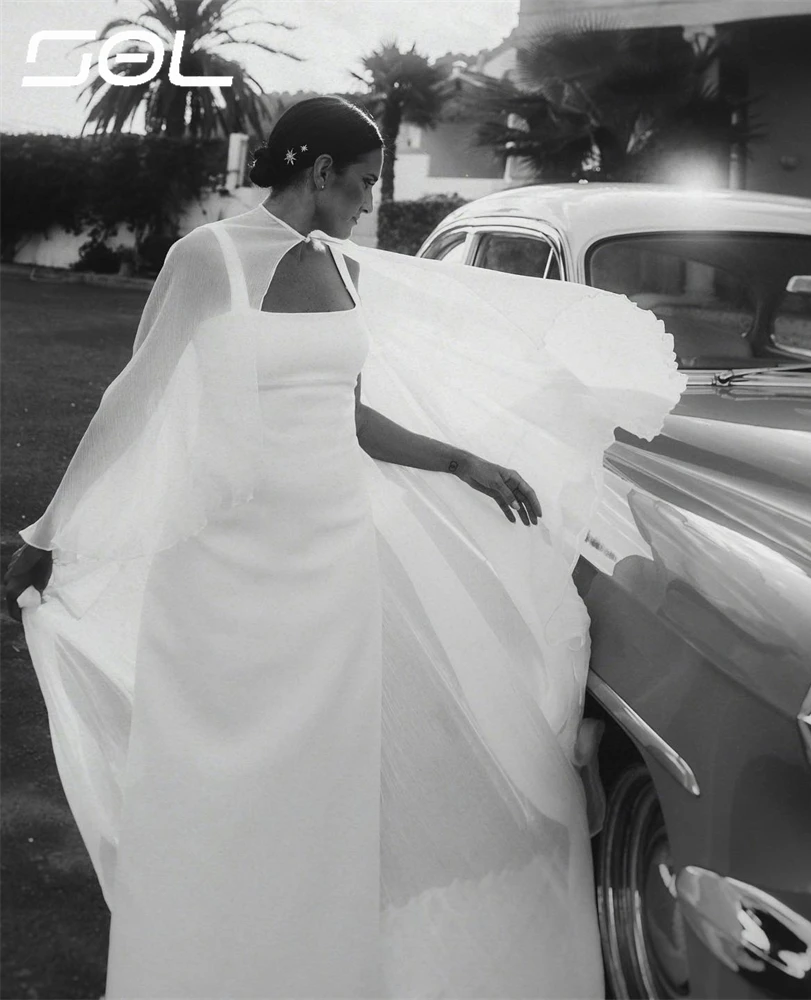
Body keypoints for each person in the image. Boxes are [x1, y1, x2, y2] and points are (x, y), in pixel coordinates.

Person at [4, 96, 684, 999]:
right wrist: (51, 534)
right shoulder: (203, 261)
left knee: (322, 792)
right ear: (318, 171)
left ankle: (316, 969)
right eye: (362, 182)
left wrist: (461, 459)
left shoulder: (335, 267)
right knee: (219, 785)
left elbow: (349, 415)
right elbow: (135, 403)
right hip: (224, 571)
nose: (369, 201)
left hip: (330, 568)